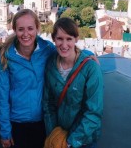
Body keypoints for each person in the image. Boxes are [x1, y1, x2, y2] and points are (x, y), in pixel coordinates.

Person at [0, 9, 56, 148]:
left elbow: (67, 50)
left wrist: (87, 55)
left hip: (43, 122)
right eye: (21, 29)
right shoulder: (6, 56)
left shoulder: (47, 49)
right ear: (14, 30)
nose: (26, 34)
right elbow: (2, 97)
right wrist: (5, 132)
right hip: (17, 124)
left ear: (37, 28)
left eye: (30, 28)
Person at [43, 17, 103, 148]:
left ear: (76, 39)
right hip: (60, 137)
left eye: (69, 39)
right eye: (60, 39)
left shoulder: (91, 68)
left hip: (84, 141)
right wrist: (54, 133)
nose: (64, 45)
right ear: (54, 39)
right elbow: (48, 105)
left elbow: (93, 112)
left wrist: (71, 142)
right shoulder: (51, 65)